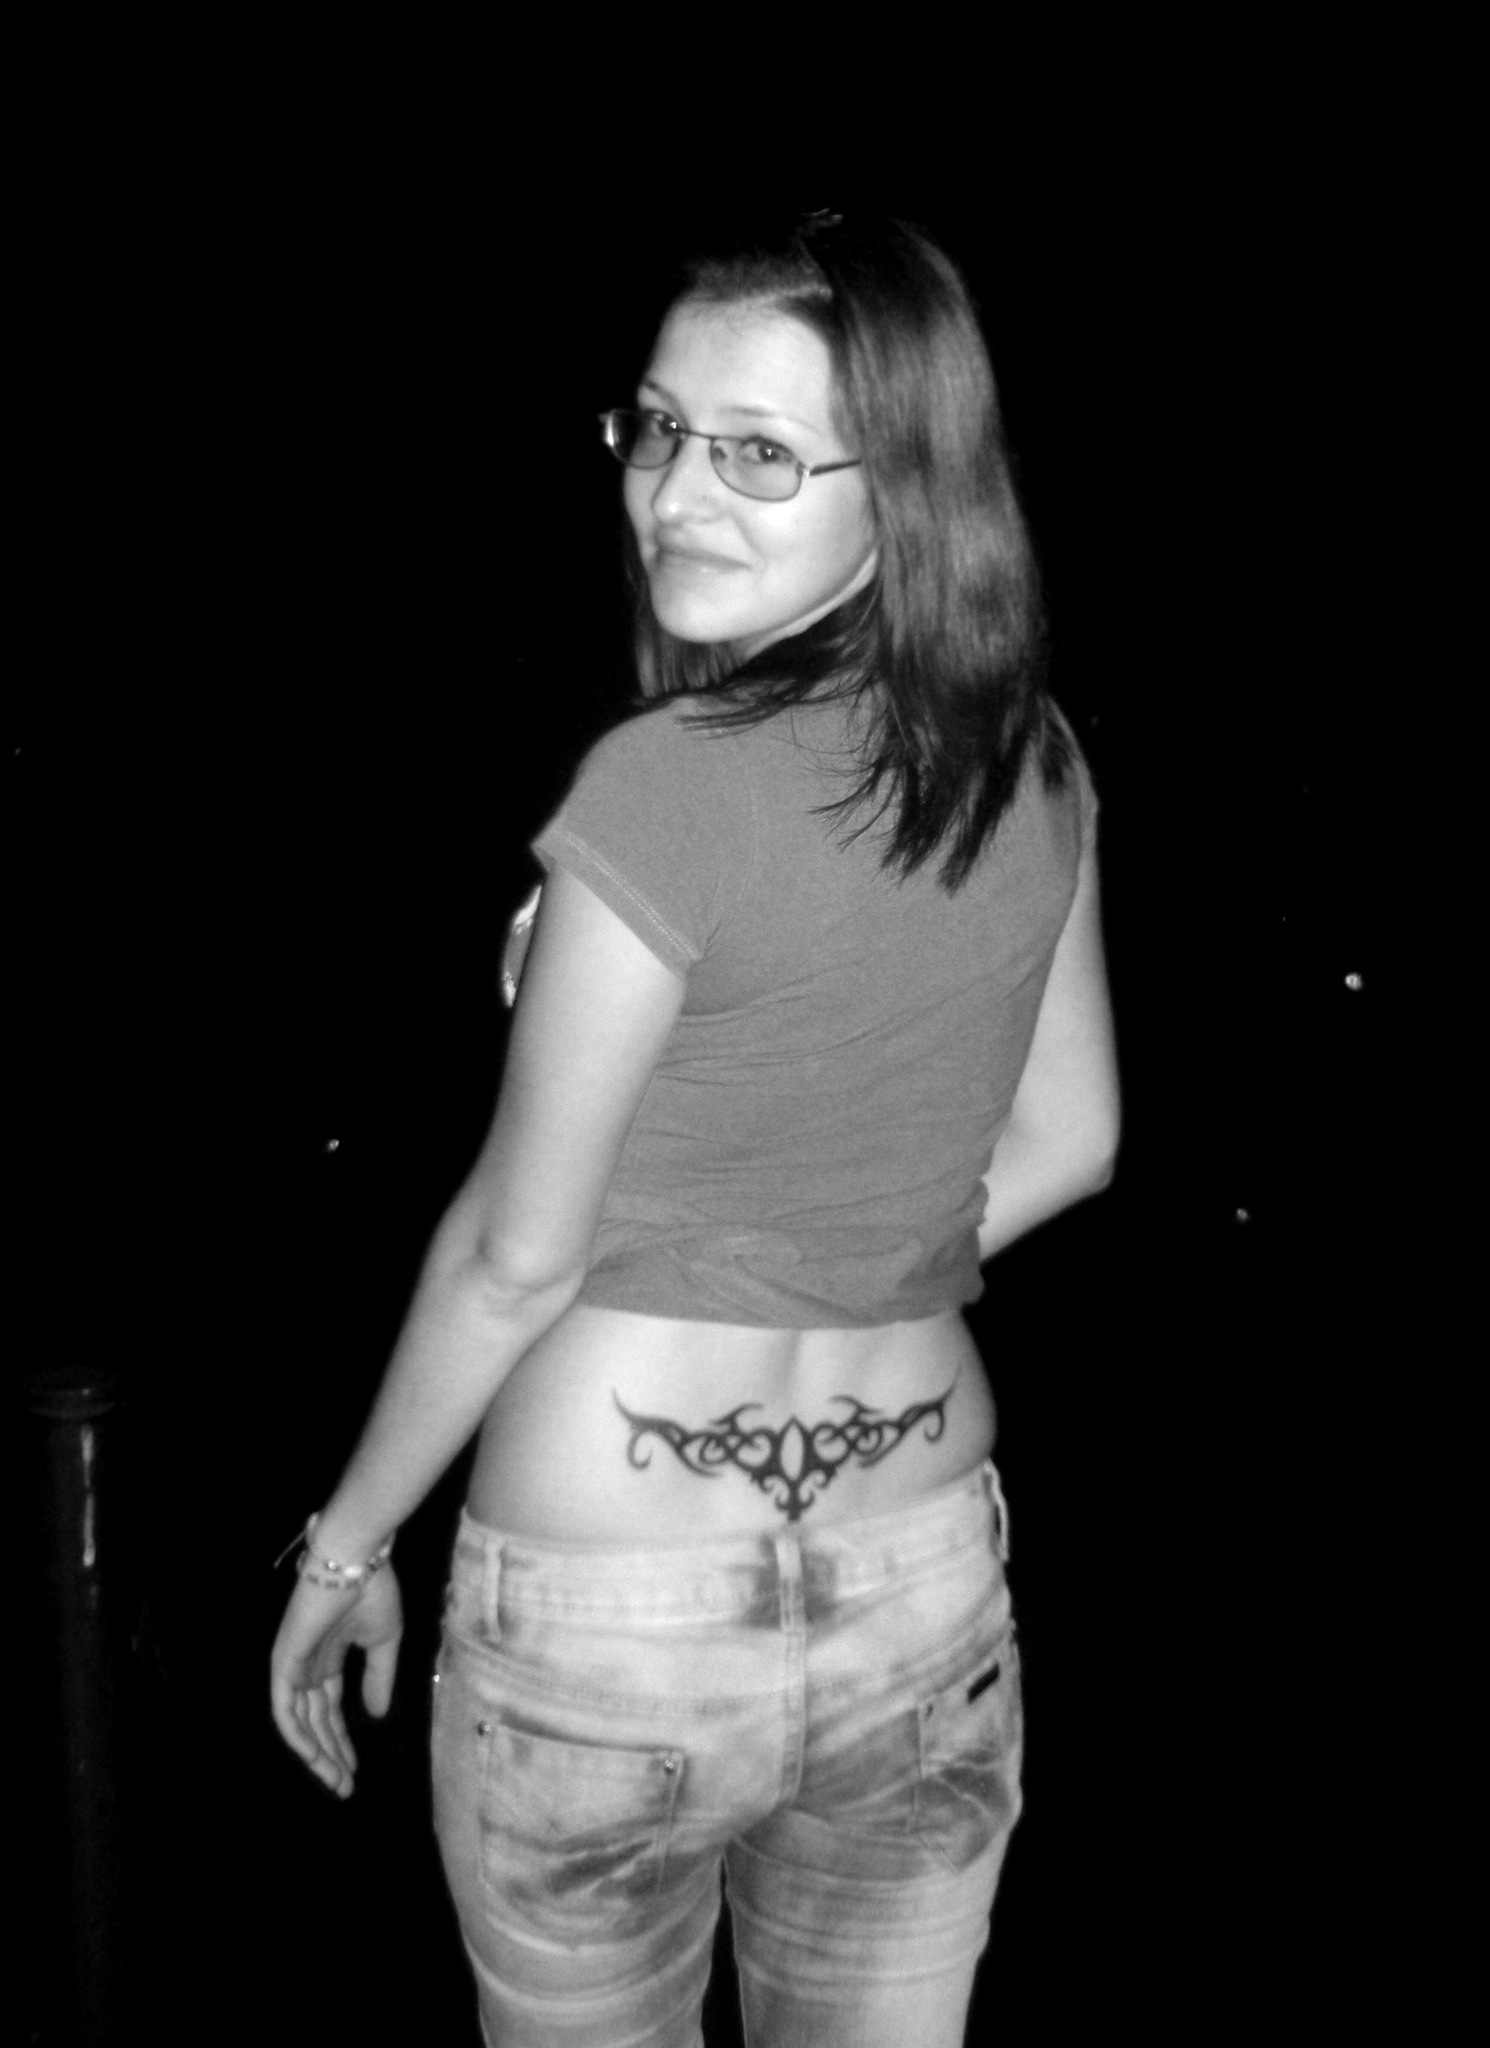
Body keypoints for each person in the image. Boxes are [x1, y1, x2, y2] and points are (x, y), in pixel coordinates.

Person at [270, 210, 1120, 2048]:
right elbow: (1073, 1143)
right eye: (655, 430)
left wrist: (343, 1552)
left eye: (757, 453)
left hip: (610, 1623)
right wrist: (838, 1247)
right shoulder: (1031, 758)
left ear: (907, 489)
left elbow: (514, 1258)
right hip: (919, 1574)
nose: (674, 494)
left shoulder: (661, 790)